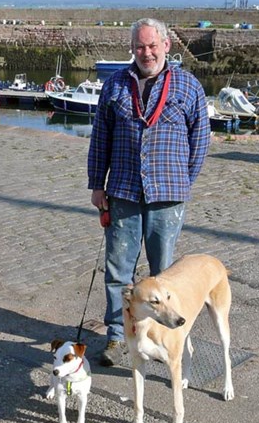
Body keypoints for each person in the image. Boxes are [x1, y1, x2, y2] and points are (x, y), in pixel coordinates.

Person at [87, 18, 211, 366]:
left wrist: (182, 181)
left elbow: (200, 140)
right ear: (132, 48)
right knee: (118, 273)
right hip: (123, 191)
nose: (147, 53)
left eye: (153, 46)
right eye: (140, 46)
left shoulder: (188, 87)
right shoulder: (114, 86)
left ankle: (162, 335)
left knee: (164, 273)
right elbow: (100, 140)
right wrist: (98, 184)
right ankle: (116, 336)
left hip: (168, 196)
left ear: (166, 46)